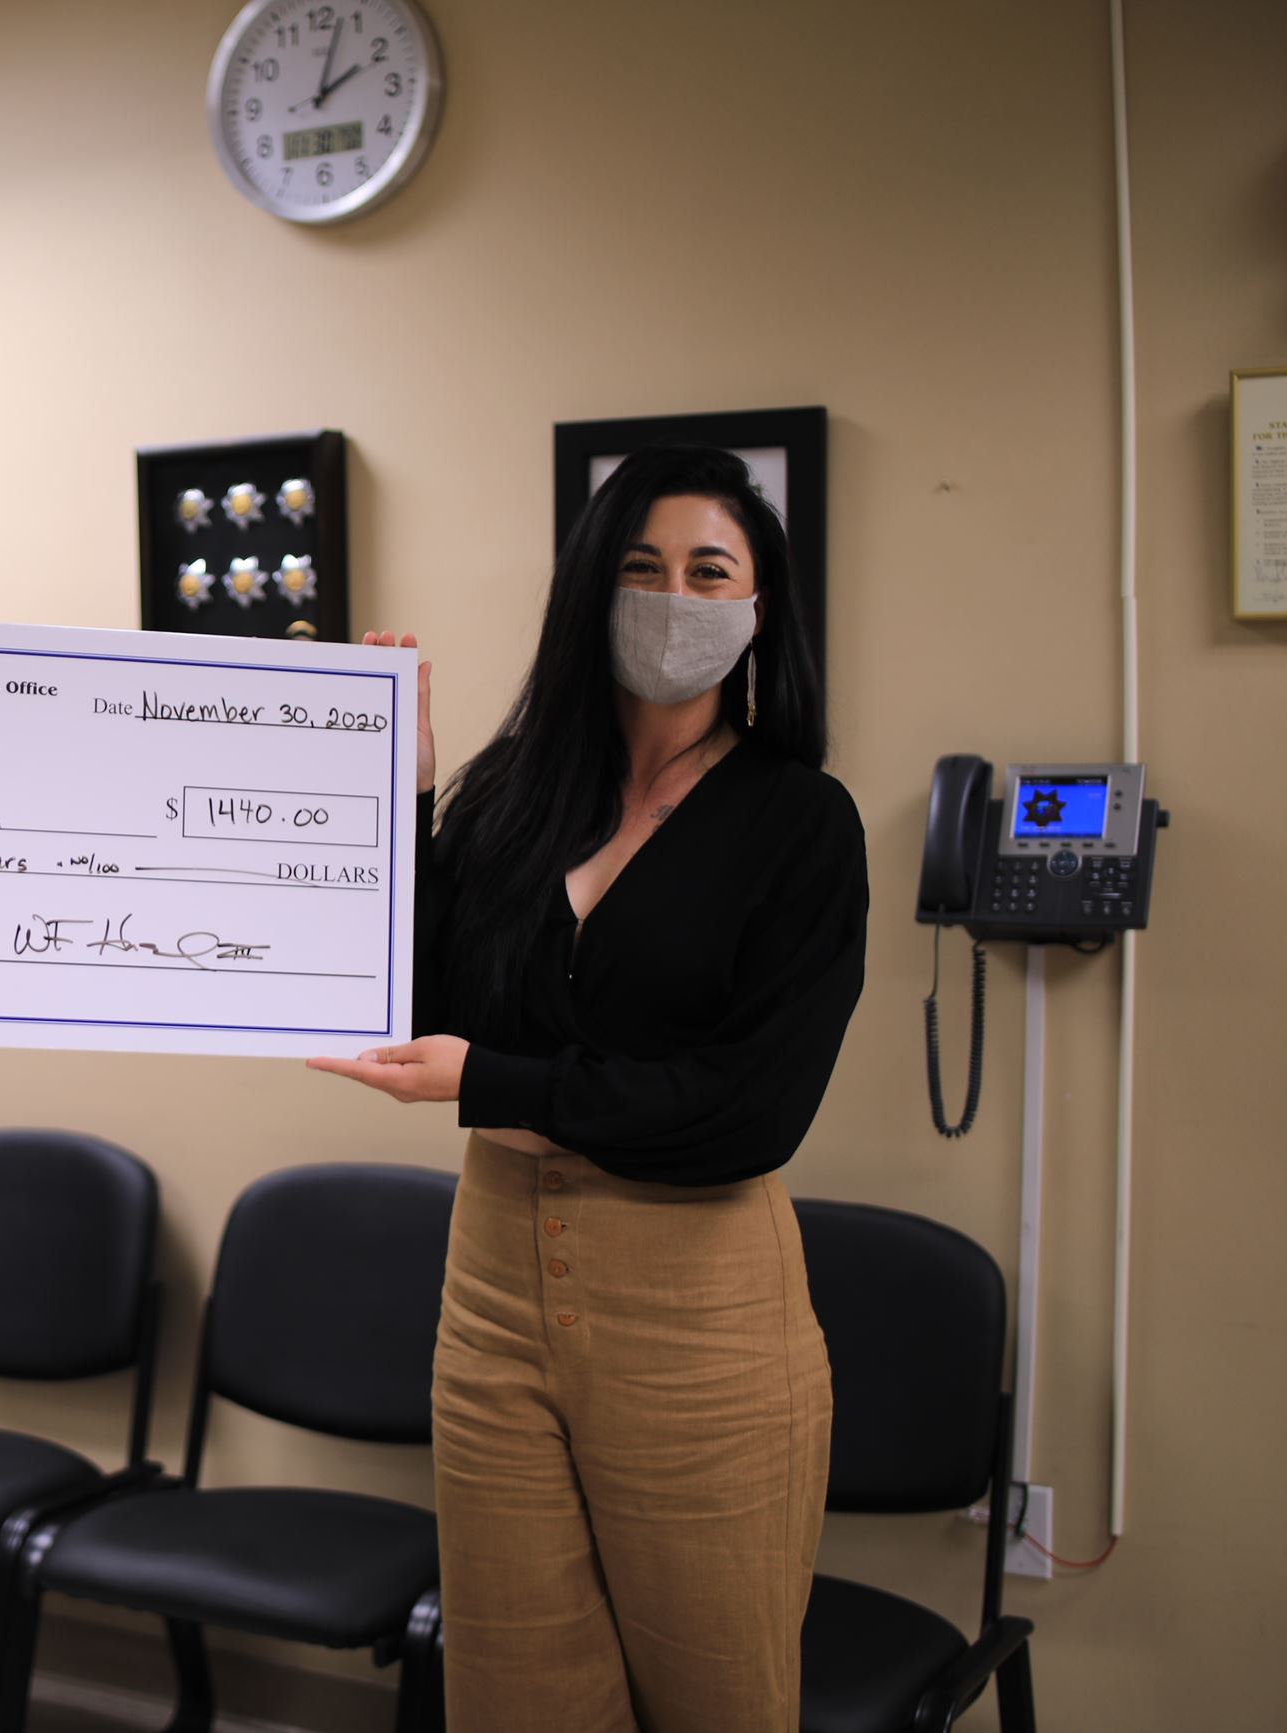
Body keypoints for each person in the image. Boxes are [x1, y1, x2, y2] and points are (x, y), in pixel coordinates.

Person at [311, 445, 866, 1731]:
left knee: (715, 1695)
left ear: (757, 605)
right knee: (515, 1692)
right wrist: (405, 787)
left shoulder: (798, 821)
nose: (672, 596)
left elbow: (745, 1108)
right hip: (493, 1284)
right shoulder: (513, 792)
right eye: (638, 566)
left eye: (706, 570)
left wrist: (489, 1079)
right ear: (589, 589)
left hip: (699, 1306)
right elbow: (410, 997)